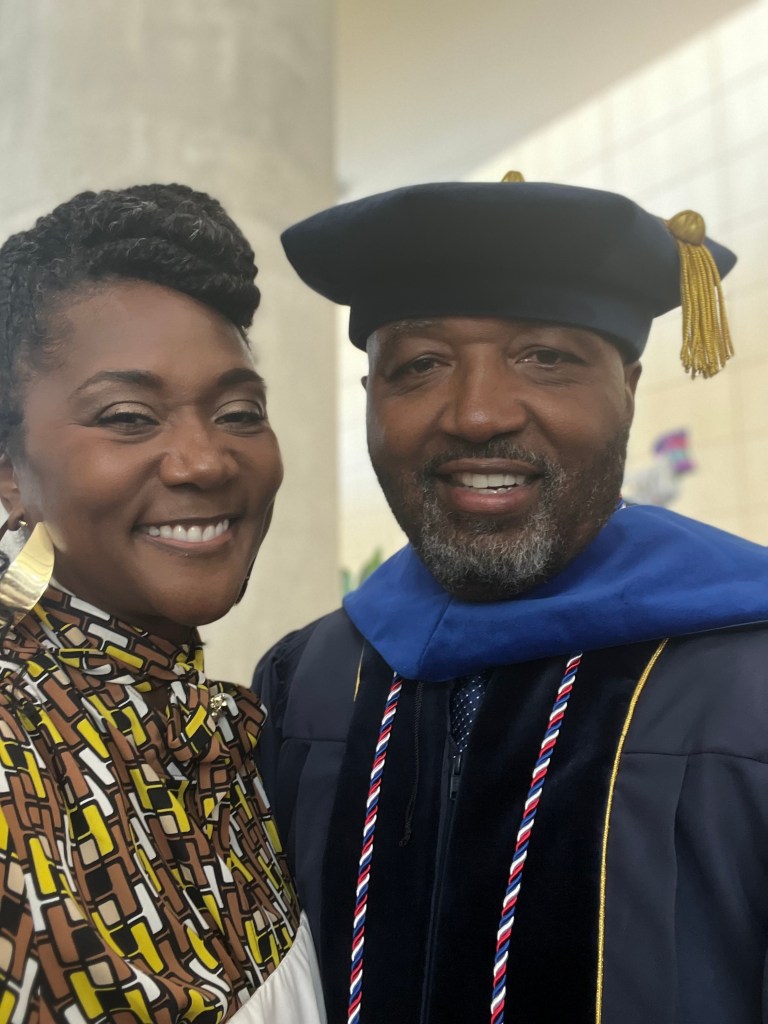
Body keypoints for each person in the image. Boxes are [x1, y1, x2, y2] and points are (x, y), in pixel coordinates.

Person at [253, 176, 768, 1024]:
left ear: (628, 387)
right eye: (421, 365)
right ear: (371, 399)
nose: (479, 414)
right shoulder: (307, 680)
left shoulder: (749, 676)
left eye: (546, 358)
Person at [0, 184, 325, 1023]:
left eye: (240, 412)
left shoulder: (229, 743)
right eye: (128, 416)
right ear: (10, 471)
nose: (204, 461)